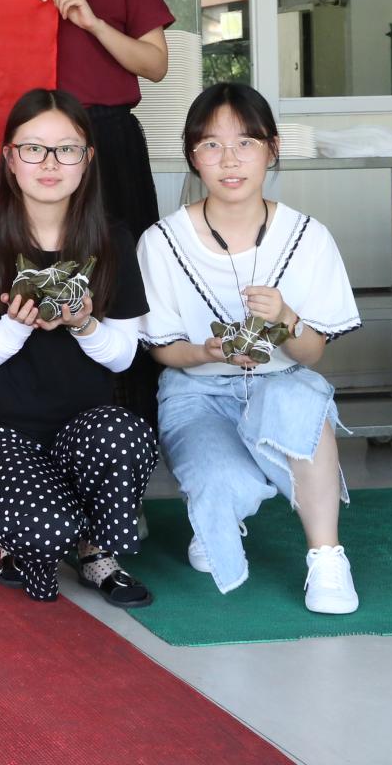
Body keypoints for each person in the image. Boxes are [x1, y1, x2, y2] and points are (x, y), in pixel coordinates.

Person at [137, 82, 363, 615]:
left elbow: (312, 355)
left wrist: (286, 318)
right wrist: (207, 352)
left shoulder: (308, 237)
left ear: (272, 149)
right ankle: (217, 512)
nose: (230, 159)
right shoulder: (162, 241)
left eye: (246, 142)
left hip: (280, 382)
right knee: (223, 482)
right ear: (192, 155)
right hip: (197, 392)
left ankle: (327, 557)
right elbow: (163, 350)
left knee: (302, 400)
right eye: (211, 145)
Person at [0, 0, 172, 423]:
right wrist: (13, 17)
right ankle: (41, 417)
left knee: (119, 275)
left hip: (108, 142)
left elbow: (155, 64)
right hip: (33, 153)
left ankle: (130, 422)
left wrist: (92, 23)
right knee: (33, 272)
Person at [0, 89, 157, 607]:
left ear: (87, 160)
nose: (49, 163)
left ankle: (96, 549)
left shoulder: (113, 242)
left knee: (125, 432)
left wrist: (84, 324)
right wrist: (16, 327)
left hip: (83, 430)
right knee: (44, 532)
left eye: (66, 149)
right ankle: (32, 538)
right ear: (10, 158)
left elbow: (123, 355)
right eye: (33, 148)